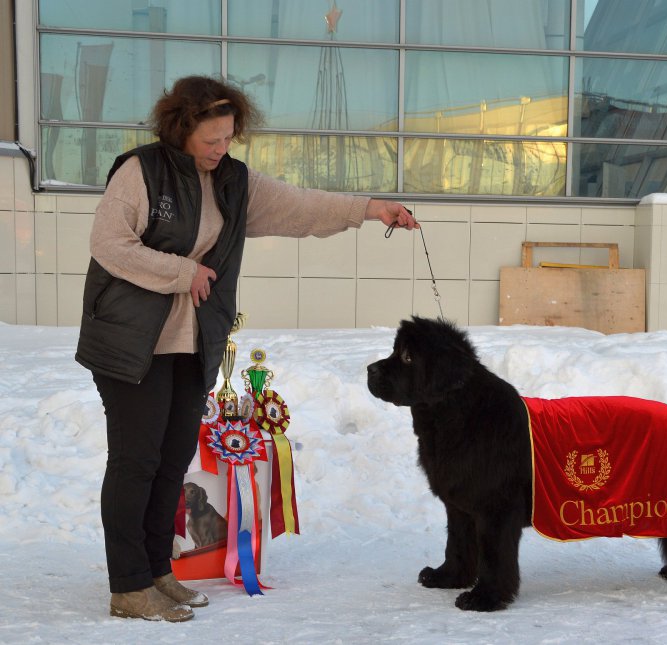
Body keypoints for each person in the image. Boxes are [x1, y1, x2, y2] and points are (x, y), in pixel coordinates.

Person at [75, 75, 417, 622]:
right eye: (210, 140)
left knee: (170, 465)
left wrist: (371, 208)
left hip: (192, 343)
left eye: (228, 138)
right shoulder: (141, 172)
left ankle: (159, 571)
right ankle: (128, 585)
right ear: (181, 129)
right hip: (132, 343)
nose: (220, 149)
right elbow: (109, 245)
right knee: (136, 462)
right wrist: (181, 271)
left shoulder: (233, 181)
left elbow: (301, 207)